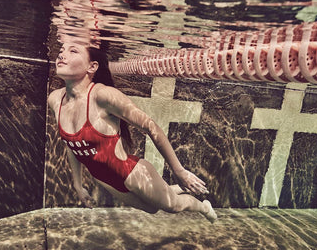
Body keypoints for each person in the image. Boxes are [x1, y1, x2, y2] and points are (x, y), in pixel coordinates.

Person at [47, 41, 217, 223]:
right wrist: (77, 184)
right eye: (62, 49)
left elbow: (151, 126)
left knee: (172, 205)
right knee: (151, 209)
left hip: (131, 175)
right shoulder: (55, 99)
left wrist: (179, 171)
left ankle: (203, 207)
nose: (61, 55)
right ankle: (165, 189)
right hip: (104, 180)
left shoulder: (103, 96)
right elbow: (72, 145)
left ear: (92, 66)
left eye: (73, 50)